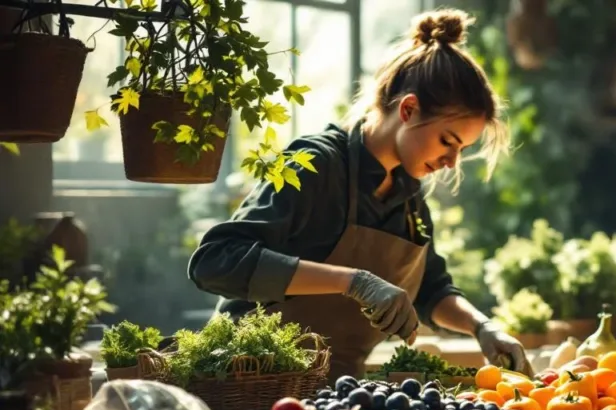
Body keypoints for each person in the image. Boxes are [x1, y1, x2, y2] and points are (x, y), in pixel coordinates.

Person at [187, 9, 531, 379]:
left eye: (461, 149)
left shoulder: (409, 199)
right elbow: (214, 261)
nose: (451, 162)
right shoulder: (316, 165)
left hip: (336, 401)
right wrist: (353, 282)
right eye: (448, 141)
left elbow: (431, 289)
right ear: (409, 109)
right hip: (248, 385)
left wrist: (482, 327)